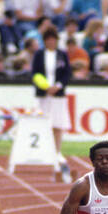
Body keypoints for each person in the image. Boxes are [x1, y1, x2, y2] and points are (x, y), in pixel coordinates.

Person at [31, 27, 71, 168]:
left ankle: (57, 151)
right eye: (48, 40)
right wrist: (45, 87)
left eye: (53, 40)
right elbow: (35, 73)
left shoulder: (62, 54)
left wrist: (58, 86)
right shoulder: (39, 54)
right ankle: (42, 151)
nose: (51, 42)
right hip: (44, 94)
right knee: (42, 122)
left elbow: (67, 73)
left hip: (58, 94)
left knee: (58, 123)